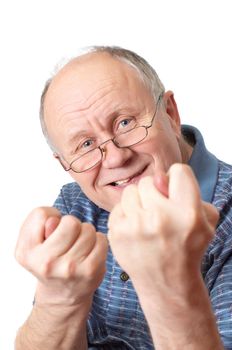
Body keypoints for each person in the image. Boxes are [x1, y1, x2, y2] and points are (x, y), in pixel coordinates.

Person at [14, 46, 232, 350]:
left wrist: (168, 283)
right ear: (64, 164)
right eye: (86, 144)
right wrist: (57, 301)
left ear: (170, 113)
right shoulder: (76, 206)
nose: (115, 158)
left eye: (125, 123)